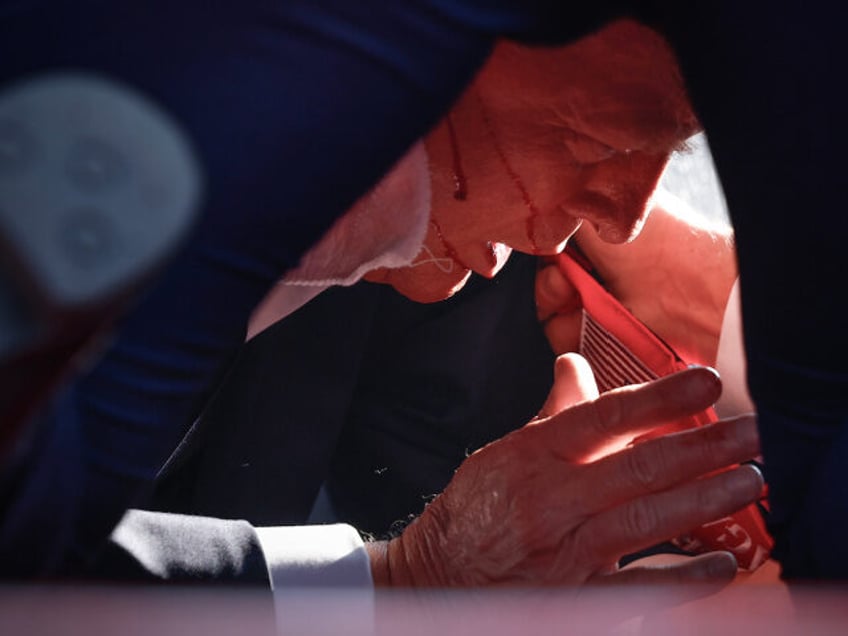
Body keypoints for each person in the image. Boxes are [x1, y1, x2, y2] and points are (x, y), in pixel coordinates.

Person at [0, 2, 842, 586]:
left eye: (671, 154)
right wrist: (404, 584)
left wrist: (721, 309)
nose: (624, 215)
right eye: (590, 143)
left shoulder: (495, 233)